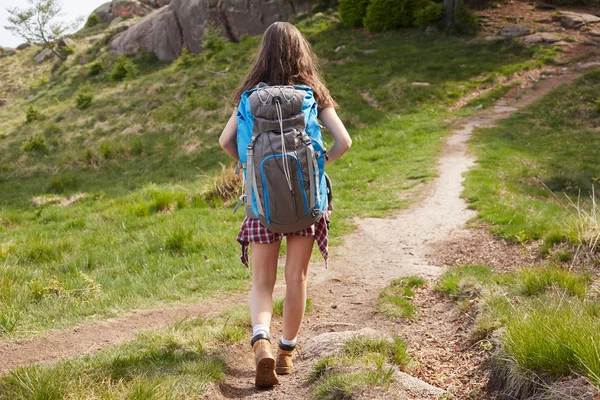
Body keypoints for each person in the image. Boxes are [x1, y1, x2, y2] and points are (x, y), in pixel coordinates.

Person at [219, 21, 352, 389]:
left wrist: (249, 167)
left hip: (263, 203)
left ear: (263, 53)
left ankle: (260, 339)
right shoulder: (312, 93)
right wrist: (319, 162)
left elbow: (224, 141)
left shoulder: (249, 97)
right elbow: (344, 141)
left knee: (262, 281)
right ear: (300, 52)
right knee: (297, 278)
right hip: (306, 203)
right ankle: (286, 352)